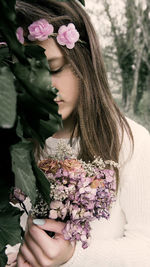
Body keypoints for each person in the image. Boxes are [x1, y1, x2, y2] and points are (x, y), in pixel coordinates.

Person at [6, 0, 150, 266]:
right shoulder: (14, 143)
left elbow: (147, 248)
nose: (44, 87)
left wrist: (73, 256)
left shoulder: (132, 143)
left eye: (55, 68)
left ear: (84, 63)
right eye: (27, 73)